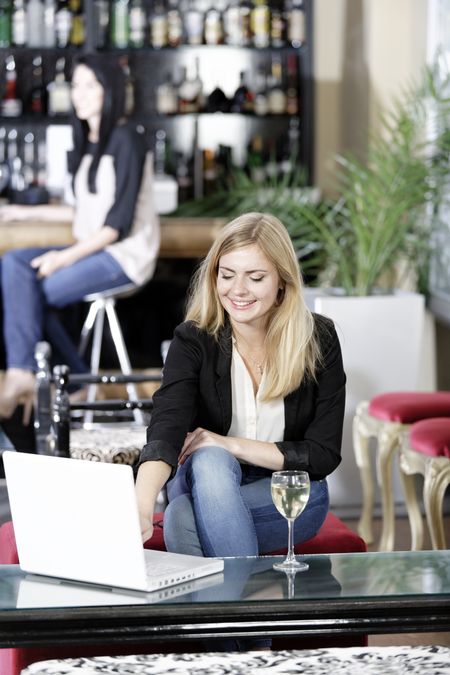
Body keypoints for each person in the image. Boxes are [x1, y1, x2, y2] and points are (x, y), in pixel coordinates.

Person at [135, 212, 345, 558]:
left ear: (282, 281)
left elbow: (322, 454)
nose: (237, 290)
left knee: (180, 516)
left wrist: (231, 444)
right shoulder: (193, 340)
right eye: (227, 275)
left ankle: (215, 607)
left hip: (289, 497)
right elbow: (167, 427)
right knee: (210, 461)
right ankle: (248, 606)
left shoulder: (318, 339)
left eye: (256, 277)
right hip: (206, 482)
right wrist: (142, 504)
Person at [0, 53, 159, 423]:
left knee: (31, 292)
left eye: (91, 85)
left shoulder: (126, 139)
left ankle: (38, 374)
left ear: (111, 90)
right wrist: (23, 212)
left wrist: (62, 259)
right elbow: (82, 210)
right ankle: (65, 381)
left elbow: (115, 225)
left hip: (123, 256)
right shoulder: (88, 140)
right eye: (76, 85)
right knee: (12, 264)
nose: (80, 94)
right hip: (93, 250)